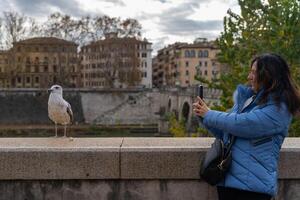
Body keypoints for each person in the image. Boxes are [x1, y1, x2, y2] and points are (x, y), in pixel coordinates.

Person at [193, 53, 300, 200]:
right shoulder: (249, 100)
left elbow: (243, 124)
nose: (249, 77)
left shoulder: (279, 108)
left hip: (253, 188)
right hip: (228, 181)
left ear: (268, 75)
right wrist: (204, 116)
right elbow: (228, 131)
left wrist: (209, 114)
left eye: (254, 72)